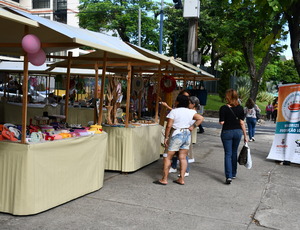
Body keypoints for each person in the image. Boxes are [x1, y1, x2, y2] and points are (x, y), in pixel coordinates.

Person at [154, 94, 204, 185]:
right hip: (187, 134)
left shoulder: (174, 111)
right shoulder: (190, 112)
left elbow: (169, 126)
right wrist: (193, 127)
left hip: (177, 134)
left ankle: (164, 179)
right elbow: (200, 118)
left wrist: (166, 137)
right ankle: (181, 178)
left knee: (168, 157)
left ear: (178, 102)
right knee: (183, 157)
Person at [219, 89, 247, 184]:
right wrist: (245, 135)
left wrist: (224, 120)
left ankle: (228, 176)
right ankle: (234, 173)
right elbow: (242, 123)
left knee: (228, 154)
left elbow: (222, 122)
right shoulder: (240, 108)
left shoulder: (223, 108)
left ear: (228, 97)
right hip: (238, 132)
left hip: (227, 132)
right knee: (234, 152)